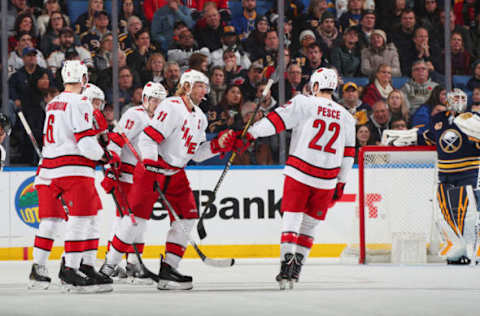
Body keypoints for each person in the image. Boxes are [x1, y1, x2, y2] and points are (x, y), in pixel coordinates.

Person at [99, 69, 237, 290]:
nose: (205, 91)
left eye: (205, 86)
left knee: (188, 217)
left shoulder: (200, 117)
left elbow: (198, 154)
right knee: (135, 221)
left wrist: (218, 145)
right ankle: (108, 267)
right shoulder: (171, 106)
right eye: (200, 85)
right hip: (153, 169)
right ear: (188, 86)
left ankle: (169, 269)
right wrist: (151, 164)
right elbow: (148, 138)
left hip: (176, 173)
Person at [239, 68, 355, 289]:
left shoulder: (304, 102)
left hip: (300, 172)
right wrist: (341, 182)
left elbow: (276, 122)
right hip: (327, 178)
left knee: (291, 220)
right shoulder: (347, 116)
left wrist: (251, 132)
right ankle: (296, 269)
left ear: (315, 86)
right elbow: (349, 154)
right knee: (310, 225)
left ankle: (285, 266)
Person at [29, 60, 118, 292]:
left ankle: (38, 270)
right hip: (73, 168)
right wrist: (104, 155)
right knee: (84, 218)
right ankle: (71, 269)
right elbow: (85, 143)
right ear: (84, 80)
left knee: (49, 221)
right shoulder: (80, 102)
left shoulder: (53, 102)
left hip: (47, 169)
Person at [382, 88, 479, 265]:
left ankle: (475, 249)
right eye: (454, 98)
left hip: (470, 173)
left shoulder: (473, 119)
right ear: (447, 100)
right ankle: (456, 250)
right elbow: (425, 137)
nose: (458, 101)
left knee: (470, 214)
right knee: (444, 214)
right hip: (445, 174)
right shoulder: (438, 120)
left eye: (461, 98)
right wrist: (404, 138)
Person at [102, 81, 167, 283]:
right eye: (154, 100)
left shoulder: (162, 120)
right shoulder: (135, 115)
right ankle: (110, 262)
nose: (157, 105)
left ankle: (133, 264)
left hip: (145, 176)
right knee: (126, 220)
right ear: (145, 99)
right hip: (127, 175)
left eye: (160, 101)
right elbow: (116, 141)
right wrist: (111, 167)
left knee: (141, 222)